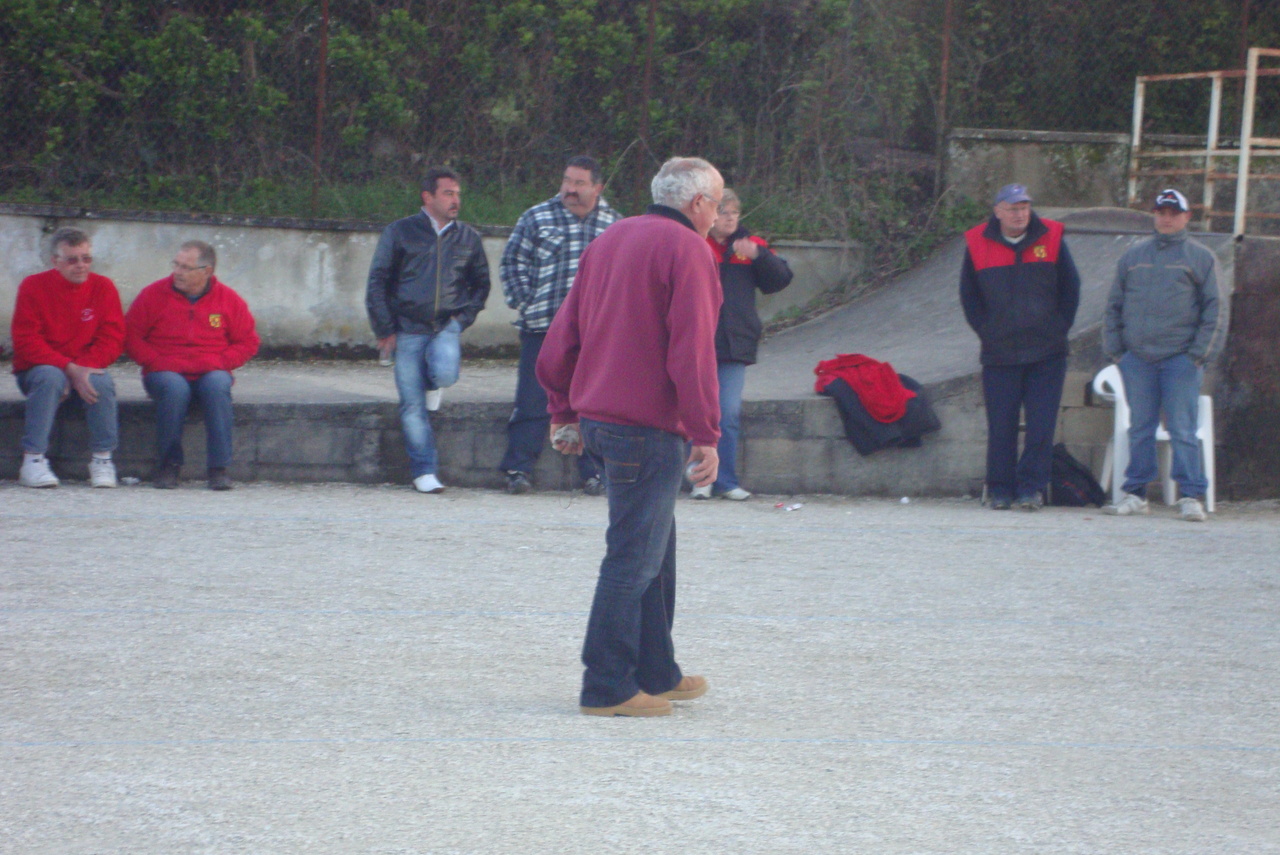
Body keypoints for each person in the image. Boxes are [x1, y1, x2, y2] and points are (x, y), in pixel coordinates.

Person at [537, 156, 724, 718]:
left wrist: (563, 409)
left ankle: (656, 670)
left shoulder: (610, 238)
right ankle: (607, 685)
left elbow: (562, 334)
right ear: (696, 204)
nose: (717, 214)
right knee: (633, 558)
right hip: (646, 428)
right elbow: (691, 352)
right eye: (717, 202)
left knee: (654, 549)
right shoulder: (689, 249)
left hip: (603, 420)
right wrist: (706, 432)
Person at [497, 155, 620, 495]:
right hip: (543, 328)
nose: (570, 189)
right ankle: (518, 470)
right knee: (533, 402)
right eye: (567, 181)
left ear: (598, 187)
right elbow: (512, 262)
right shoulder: (536, 217)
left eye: (579, 183)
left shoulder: (615, 226)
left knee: (594, 406)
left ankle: (594, 474)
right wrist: (526, 300)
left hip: (596, 335)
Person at [365, 166, 491, 494]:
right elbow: (378, 280)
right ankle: (424, 471)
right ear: (428, 197)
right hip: (406, 329)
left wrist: (461, 321)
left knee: (446, 375)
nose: (455, 199)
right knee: (411, 405)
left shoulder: (468, 237)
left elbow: (481, 285)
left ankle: (433, 382)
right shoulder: (400, 232)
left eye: (458, 193)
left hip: (446, 327)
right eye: (448, 193)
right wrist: (384, 327)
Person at [1103, 188, 1224, 522]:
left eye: (1173, 212)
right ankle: (1136, 492)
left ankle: (1190, 495)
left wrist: (1198, 356)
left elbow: (1215, 309)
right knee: (1140, 427)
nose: (1166, 218)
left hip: (1180, 360)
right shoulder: (1132, 255)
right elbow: (1113, 305)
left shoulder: (1201, 257)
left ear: (1186, 217)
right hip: (1137, 359)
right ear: (1154, 216)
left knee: (1182, 429)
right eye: (1160, 212)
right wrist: (1117, 352)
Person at [960, 183, 1081, 511]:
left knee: (1041, 425)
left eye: (1025, 207)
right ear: (998, 211)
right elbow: (969, 296)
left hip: (1048, 353)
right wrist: (986, 332)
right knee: (1001, 425)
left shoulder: (1052, 237)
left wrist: (1059, 328)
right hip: (1000, 353)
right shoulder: (976, 242)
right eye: (1013, 208)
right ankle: (1000, 488)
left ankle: (1031, 489)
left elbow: (1072, 287)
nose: (1020, 214)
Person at [125, 240, 260, 490]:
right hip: (165, 371)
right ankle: (168, 466)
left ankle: (219, 468)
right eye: (176, 264)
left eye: (186, 267)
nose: (177, 271)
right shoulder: (153, 295)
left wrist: (220, 362)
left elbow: (248, 341)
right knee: (175, 390)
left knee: (218, 385)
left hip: (210, 370)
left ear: (207, 271)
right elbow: (131, 335)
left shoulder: (229, 300)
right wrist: (156, 362)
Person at [691, 188, 793, 501]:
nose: (730, 219)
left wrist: (759, 257)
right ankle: (698, 479)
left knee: (729, 412)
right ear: (710, 214)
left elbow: (780, 280)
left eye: (734, 213)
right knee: (695, 410)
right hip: (697, 341)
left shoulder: (750, 246)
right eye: (723, 213)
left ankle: (725, 480)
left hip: (735, 342)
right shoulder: (695, 243)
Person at [10, 227, 124, 488]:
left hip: (83, 365)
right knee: (50, 378)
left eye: (86, 258)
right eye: (72, 259)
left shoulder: (103, 287)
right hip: (39, 368)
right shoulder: (33, 286)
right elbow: (26, 341)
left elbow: (113, 338)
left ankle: (103, 459)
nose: (81, 266)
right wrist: (67, 368)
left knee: (102, 383)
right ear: (55, 261)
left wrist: (82, 368)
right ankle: (33, 460)